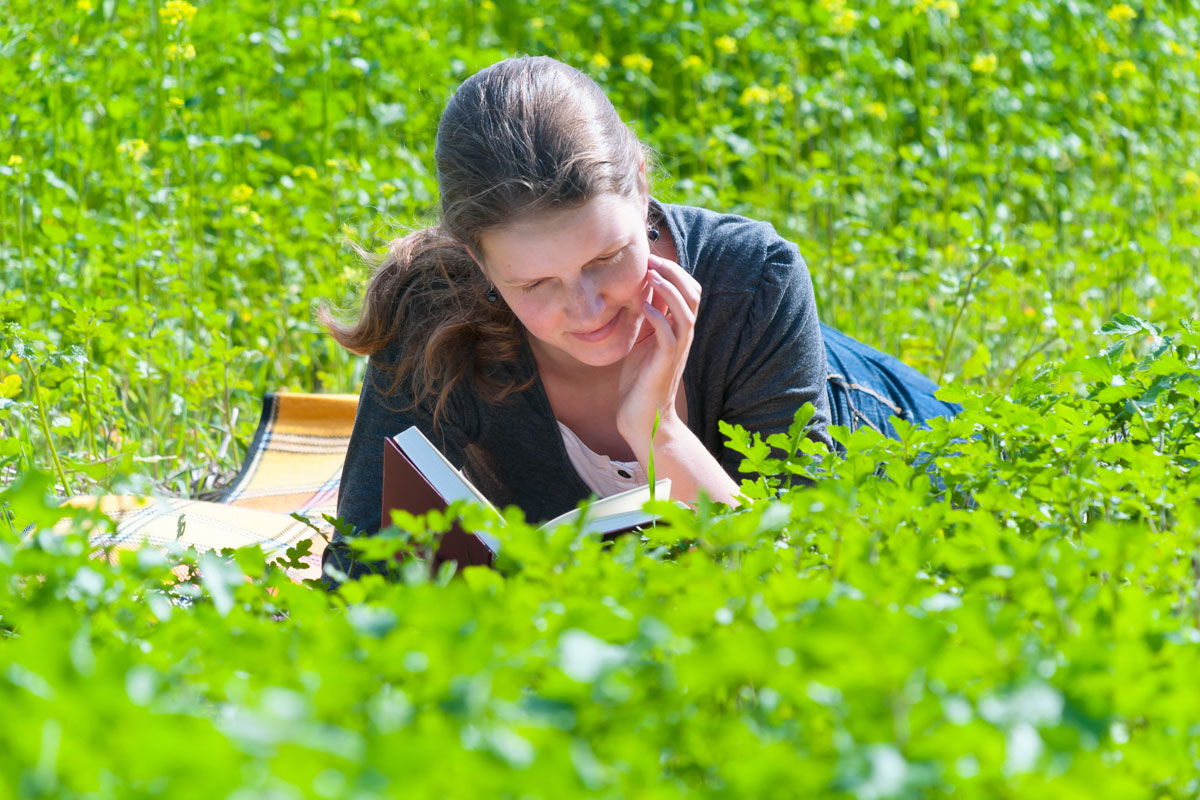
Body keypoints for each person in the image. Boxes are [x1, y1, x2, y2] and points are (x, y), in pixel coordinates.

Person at [320, 56, 958, 581]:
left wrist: (659, 431)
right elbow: (356, 569)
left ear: (643, 185)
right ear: (476, 262)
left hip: (908, 432)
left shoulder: (755, 280)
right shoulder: (432, 314)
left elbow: (799, 570)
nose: (588, 308)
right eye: (538, 283)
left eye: (608, 256)